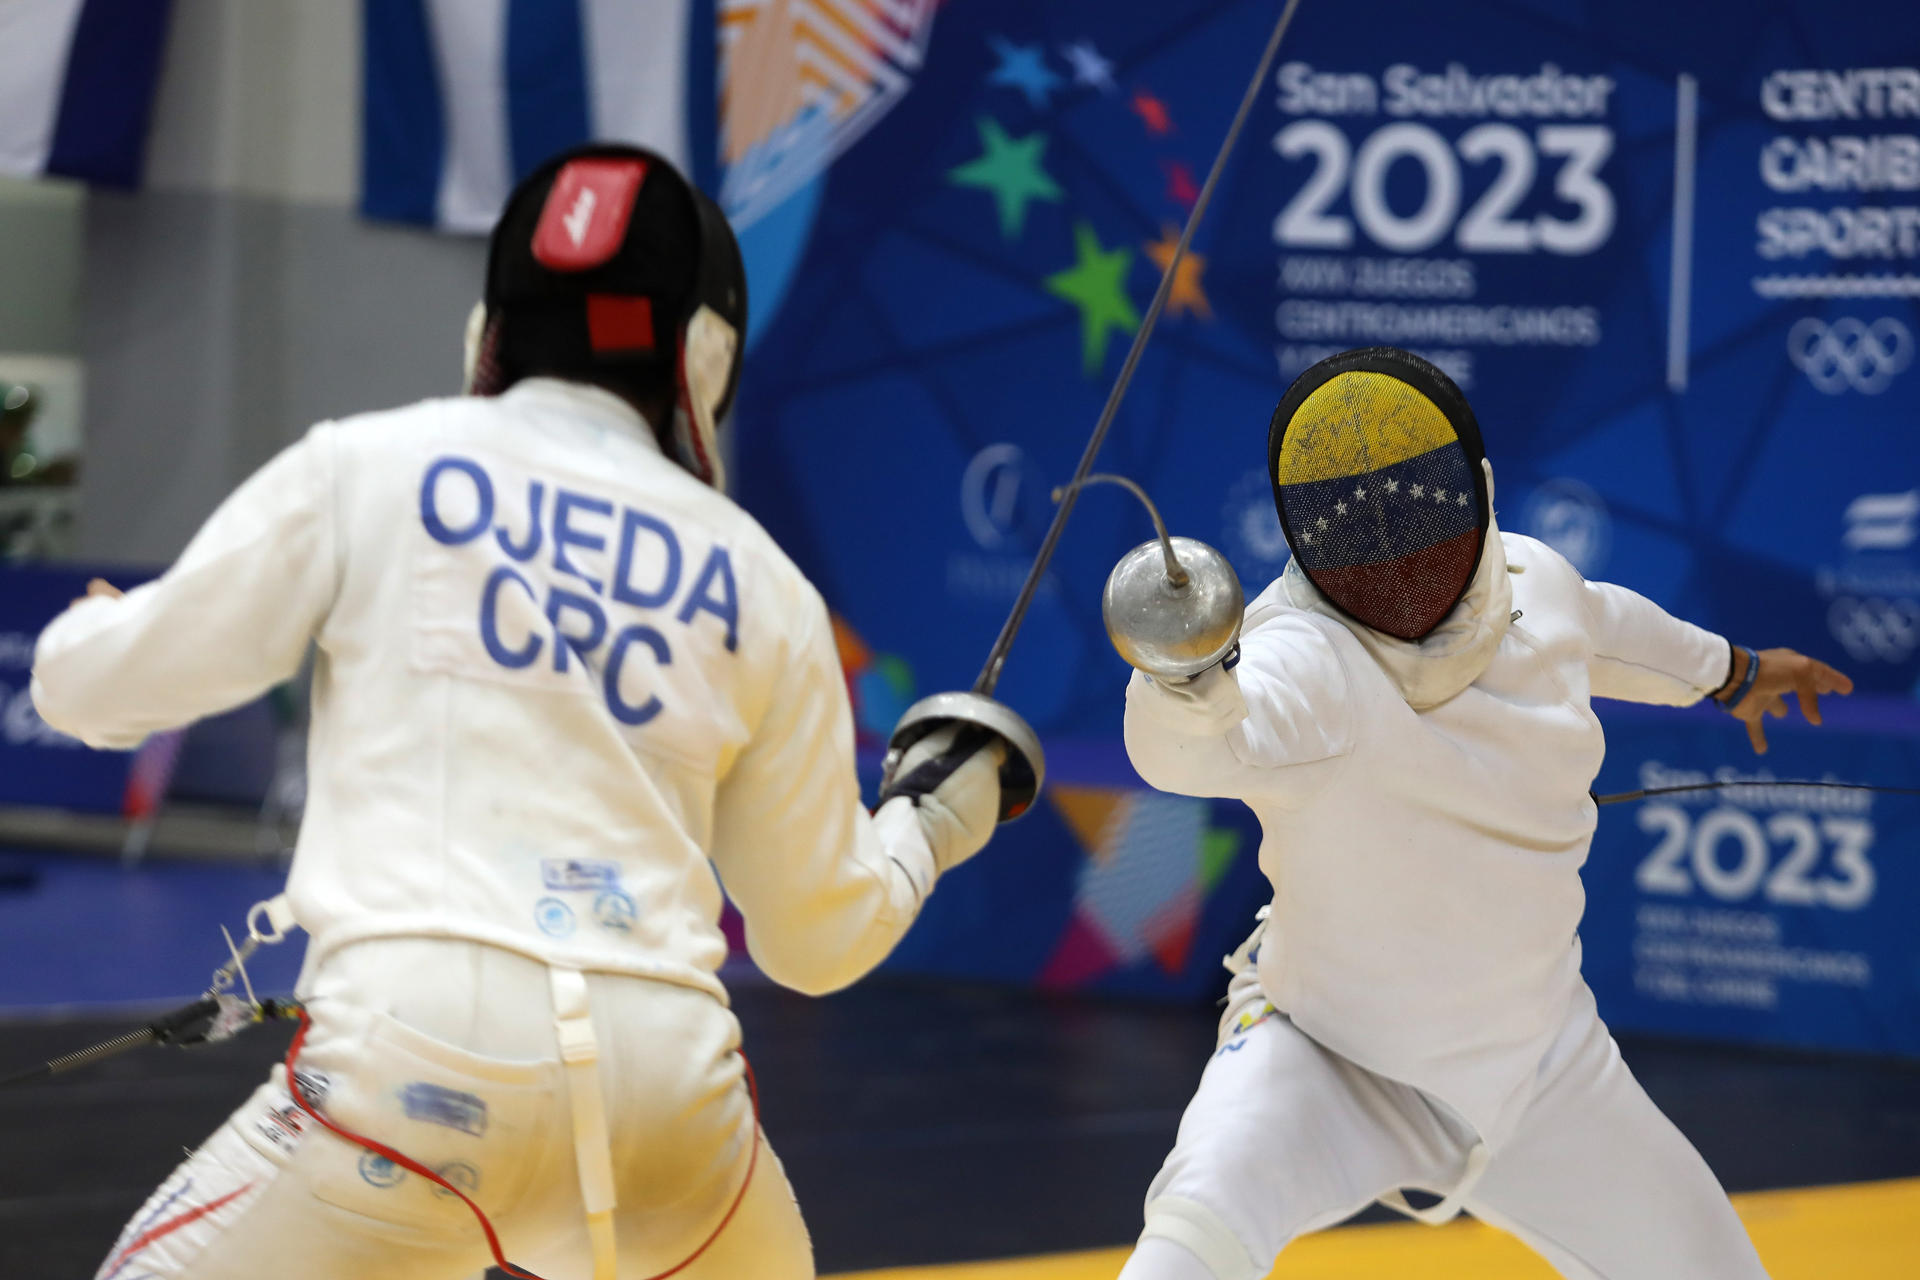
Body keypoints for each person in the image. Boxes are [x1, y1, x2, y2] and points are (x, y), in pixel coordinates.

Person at [33, 143, 1008, 1280]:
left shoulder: (369, 467)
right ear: (707, 354)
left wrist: (87, 634)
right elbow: (818, 936)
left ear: (490, 327)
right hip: (676, 1112)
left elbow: (104, 689)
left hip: (407, 1077)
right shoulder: (765, 582)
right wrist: (934, 817)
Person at [1109, 347, 1852, 1280]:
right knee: (1190, 1242)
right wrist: (1182, 677)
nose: (1392, 548)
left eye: (1417, 511)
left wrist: (1733, 671)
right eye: (1356, 529)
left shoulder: (1536, 584)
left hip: (1541, 1070)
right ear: (1303, 545)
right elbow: (1195, 745)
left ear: (1478, 491)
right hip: (1329, 1061)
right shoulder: (1301, 658)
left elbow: (1614, 630)